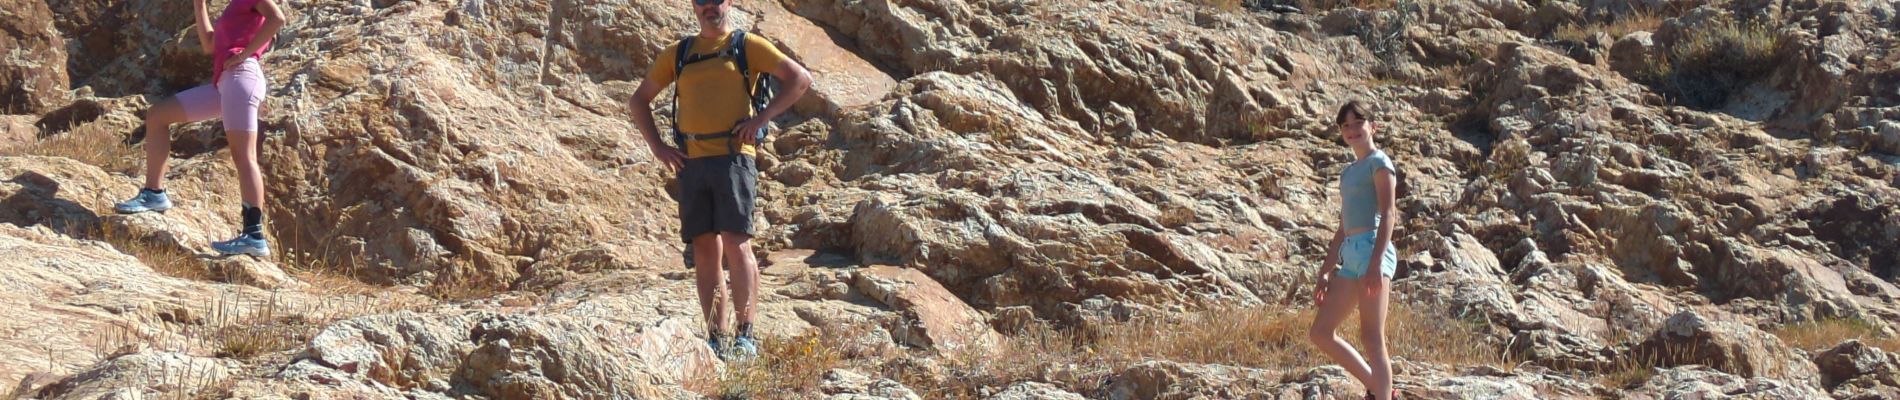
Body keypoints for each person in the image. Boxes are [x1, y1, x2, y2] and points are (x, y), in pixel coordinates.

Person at [626, 0, 812, 360]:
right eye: (701, 1)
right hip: (692, 162)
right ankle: (716, 337)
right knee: (704, 250)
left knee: (736, 243)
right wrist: (658, 148)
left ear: (728, 3)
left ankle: (746, 336)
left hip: (734, 158)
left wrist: (760, 120)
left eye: (715, 0)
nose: (709, 6)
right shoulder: (678, 53)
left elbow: (800, 79)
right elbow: (639, 101)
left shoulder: (746, 45)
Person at [115, 0, 287, 258]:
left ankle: (253, 235)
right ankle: (154, 193)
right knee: (157, 116)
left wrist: (244, 53)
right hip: (224, 84)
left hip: (242, 77)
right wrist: (199, 6)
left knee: (244, 156)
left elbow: (278, 19)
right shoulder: (234, 7)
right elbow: (209, 44)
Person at [1308, 101, 1401, 400]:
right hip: (1350, 254)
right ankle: (1379, 388)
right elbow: (1342, 227)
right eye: (1345, 126)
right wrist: (1325, 270)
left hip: (1374, 249)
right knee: (1320, 332)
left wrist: (1375, 265)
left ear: (1372, 127)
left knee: (1372, 337)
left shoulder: (1380, 162)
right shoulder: (1348, 173)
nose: (1351, 130)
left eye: (1357, 123)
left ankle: (1381, 394)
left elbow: (1389, 214)